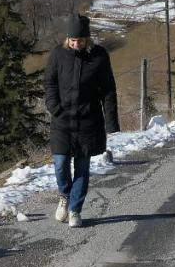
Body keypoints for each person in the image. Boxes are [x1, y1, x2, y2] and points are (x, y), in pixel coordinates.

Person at [44, 14, 119, 229]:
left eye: (81, 40)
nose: (77, 44)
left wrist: (111, 122)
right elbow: (49, 83)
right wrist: (54, 107)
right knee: (60, 164)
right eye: (73, 40)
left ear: (87, 38)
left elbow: (108, 90)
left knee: (83, 168)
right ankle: (65, 196)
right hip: (62, 120)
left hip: (88, 121)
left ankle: (75, 209)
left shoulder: (99, 56)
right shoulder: (58, 55)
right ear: (68, 39)